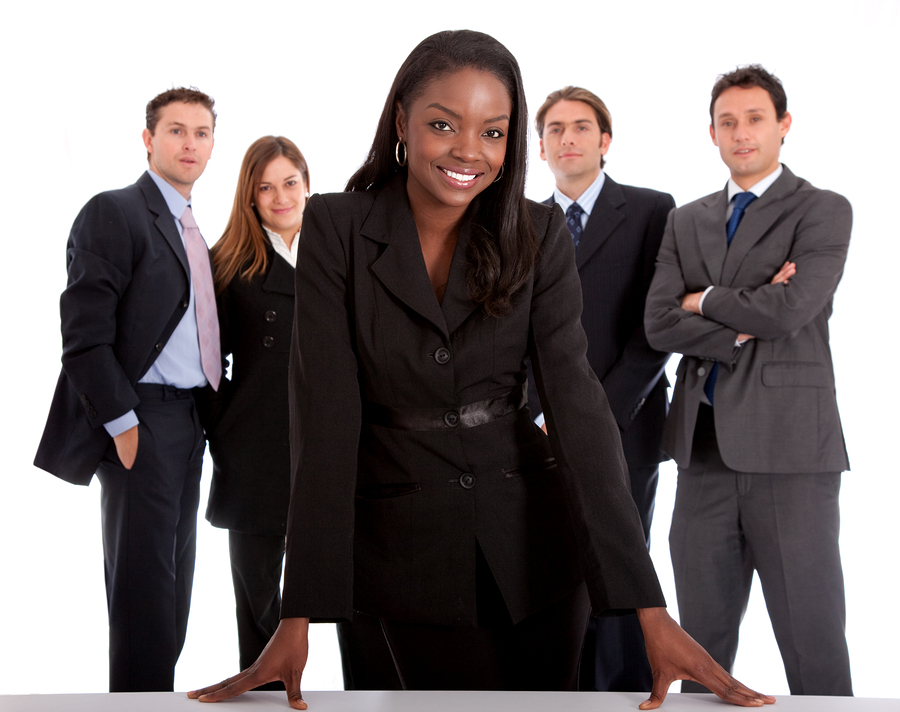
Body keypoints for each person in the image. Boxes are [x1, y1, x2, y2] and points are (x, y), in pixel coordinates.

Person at [189, 31, 772, 710]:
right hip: (400, 553)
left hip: (537, 550)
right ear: (402, 118)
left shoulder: (538, 234)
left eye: (492, 132)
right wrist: (299, 613)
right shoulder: (336, 225)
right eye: (443, 124)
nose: (469, 151)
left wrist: (647, 606)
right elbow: (324, 413)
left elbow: (578, 407)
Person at [644, 65, 853, 696]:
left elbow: (790, 311)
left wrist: (701, 299)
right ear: (711, 133)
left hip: (790, 453)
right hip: (702, 451)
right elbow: (657, 322)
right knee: (700, 655)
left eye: (755, 119)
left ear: (783, 126)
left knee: (812, 639)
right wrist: (740, 315)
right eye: (727, 122)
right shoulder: (686, 219)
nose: (741, 133)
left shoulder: (822, 209)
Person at [34, 87, 219, 692]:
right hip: (143, 421)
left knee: (172, 598)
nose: (189, 143)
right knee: (143, 601)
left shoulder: (191, 227)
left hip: (190, 423)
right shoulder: (114, 211)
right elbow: (83, 336)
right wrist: (124, 425)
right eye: (175, 130)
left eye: (201, 132)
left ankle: (154, 700)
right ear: (148, 140)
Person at [531, 86, 674, 693]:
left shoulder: (649, 211)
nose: (569, 138)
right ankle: (563, 692)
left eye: (582, 127)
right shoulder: (521, 222)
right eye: (556, 129)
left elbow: (657, 324)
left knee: (622, 557)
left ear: (605, 141)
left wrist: (604, 413)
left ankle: (623, 694)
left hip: (626, 419)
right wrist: (536, 413)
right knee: (554, 563)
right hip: (538, 427)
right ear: (540, 147)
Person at [204, 136, 310, 680]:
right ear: (249, 197)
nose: (280, 197)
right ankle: (261, 692)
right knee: (257, 600)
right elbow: (203, 362)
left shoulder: (339, 254)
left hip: (328, 447)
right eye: (265, 187)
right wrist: (223, 427)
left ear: (307, 185)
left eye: (289, 183)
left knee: (355, 589)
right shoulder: (230, 263)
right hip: (254, 450)